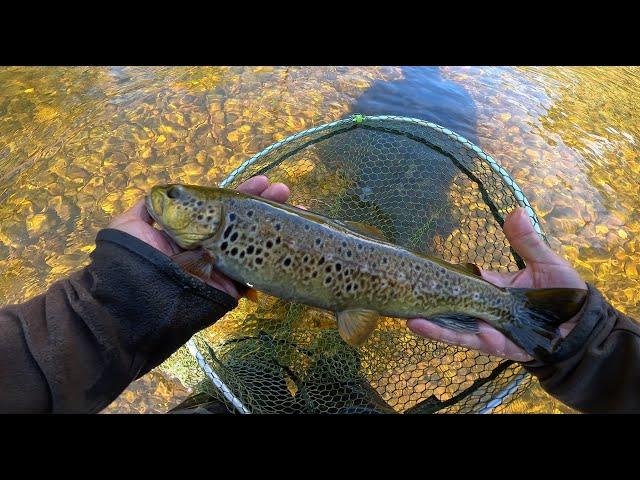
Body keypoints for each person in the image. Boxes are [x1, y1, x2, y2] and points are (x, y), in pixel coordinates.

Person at [0, 176, 638, 413]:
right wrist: (588, 347)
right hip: (389, 286)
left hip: (390, 284)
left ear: (207, 222)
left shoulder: (213, 239)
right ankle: (524, 320)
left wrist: (106, 309)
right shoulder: (212, 243)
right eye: (174, 201)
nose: (159, 202)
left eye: (177, 201)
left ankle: (519, 318)